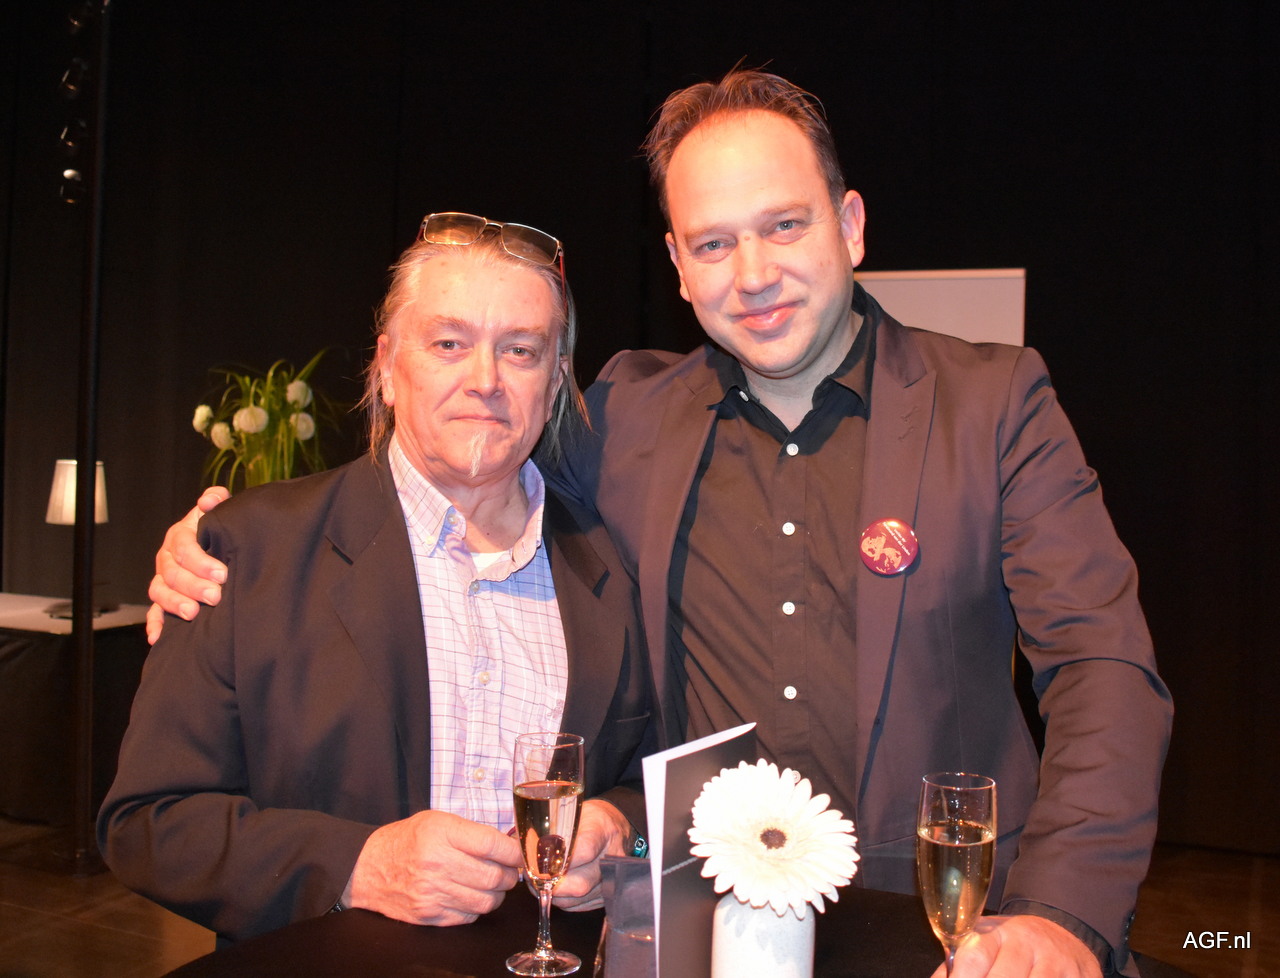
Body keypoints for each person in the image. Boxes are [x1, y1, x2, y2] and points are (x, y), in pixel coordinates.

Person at [150, 72, 1172, 977]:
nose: (752, 274)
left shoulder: (992, 406)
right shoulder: (626, 417)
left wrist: (1063, 915)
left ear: (851, 225)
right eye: (713, 243)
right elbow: (464, 452)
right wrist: (223, 535)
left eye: (785, 226)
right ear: (679, 266)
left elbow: (1102, 667)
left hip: (943, 932)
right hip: (700, 934)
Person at [100, 213, 654, 944]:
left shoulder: (616, 564)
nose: (485, 380)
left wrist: (620, 829)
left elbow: (665, 787)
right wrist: (355, 866)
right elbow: (148, 821)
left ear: (554, 383)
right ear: (388, 367)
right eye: (449, 343)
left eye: (520, 351)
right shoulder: (248, 552)